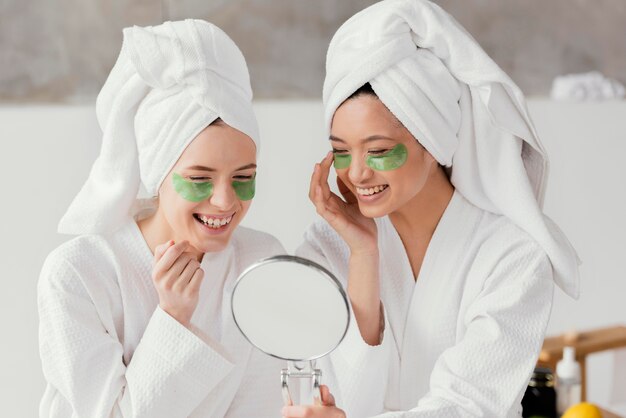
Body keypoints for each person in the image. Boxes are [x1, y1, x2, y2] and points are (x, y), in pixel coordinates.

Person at [286, 1, 580, 417]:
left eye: (379, 151)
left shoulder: (512, 255)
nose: (357, 173)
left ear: (434, 141)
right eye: (339, 152)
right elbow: (329, 391)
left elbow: (468, 406)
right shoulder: (329, 245)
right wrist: (364, 257)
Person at [38, 19, 285, 417]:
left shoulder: (259, 259)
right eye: (199, 178)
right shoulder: (79, 272)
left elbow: (260, 407)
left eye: (244, 178)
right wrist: (173, 318)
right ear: (157, 175)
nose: (225, 200)